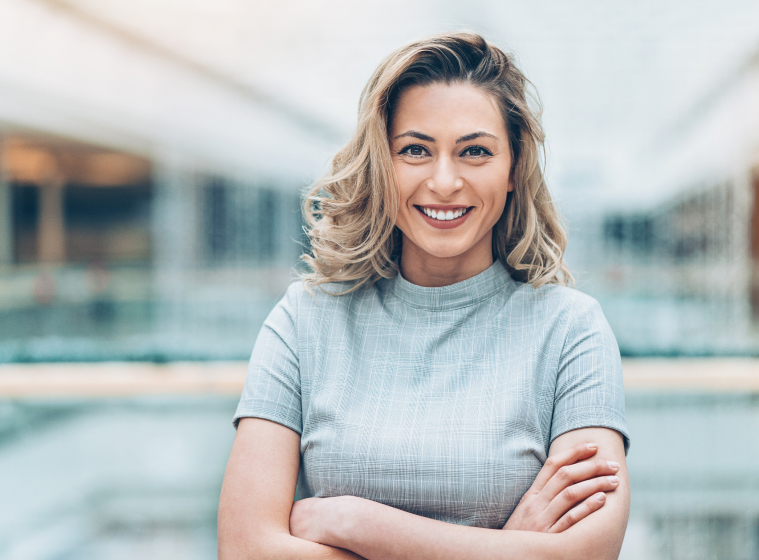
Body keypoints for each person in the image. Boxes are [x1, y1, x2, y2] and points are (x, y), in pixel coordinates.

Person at [218, 31, 630, 560]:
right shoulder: (305, 319)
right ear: (381, 163)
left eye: (475, 152)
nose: (444, 181)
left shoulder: (572, 328)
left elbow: (589, 553)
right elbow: (247, 550)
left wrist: (352, 520)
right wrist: (506, 549)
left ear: (512, 169)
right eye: (414, 150)